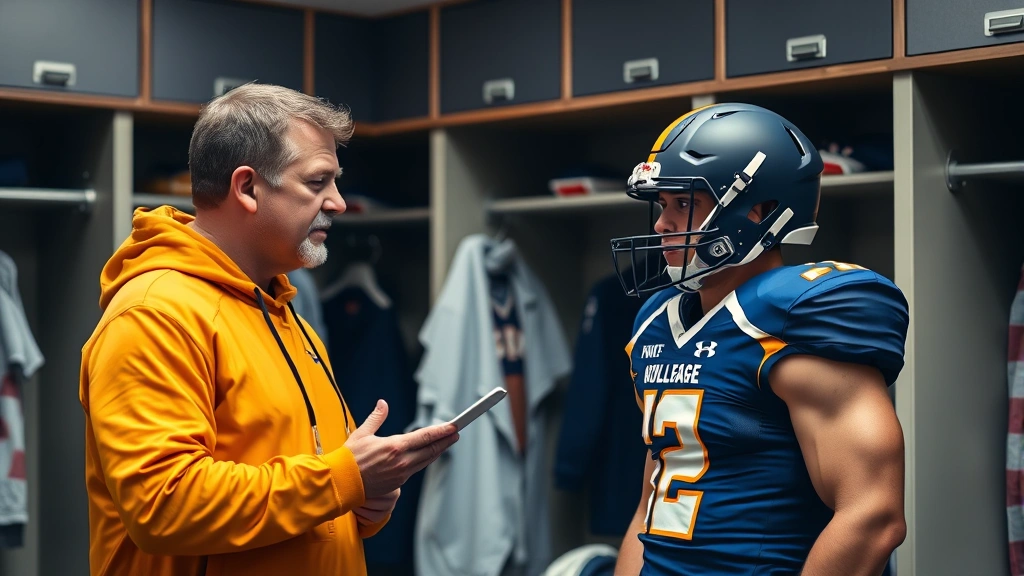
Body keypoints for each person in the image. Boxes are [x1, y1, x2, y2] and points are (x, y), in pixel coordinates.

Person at [78, 83, 459, 576]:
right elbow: (165, 507)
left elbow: (312, 489)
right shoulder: (155, 315)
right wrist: (344, 477)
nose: (339, 203)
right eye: (318, 182)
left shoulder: (283, 314)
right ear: (247, 188)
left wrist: (366, 502)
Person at [608, 103, 908, 575]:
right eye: (663, 204)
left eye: (685, 203)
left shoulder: (791, 318)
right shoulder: (655, 322)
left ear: (758, 210)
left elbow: (872, 515)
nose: (662, 224)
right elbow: (654, 497)